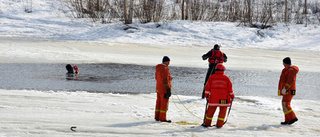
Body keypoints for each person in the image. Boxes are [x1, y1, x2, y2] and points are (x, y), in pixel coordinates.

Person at [202, 63, 234, 128]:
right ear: (223, 70)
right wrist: (232, 96)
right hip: (224, 99)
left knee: (210, 112)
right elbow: (230, 89)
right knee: (222, 113)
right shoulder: (226, 78)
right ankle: (219, 125)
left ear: (216, 69)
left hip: (213, 99)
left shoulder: (212, 77)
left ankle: (207, 124)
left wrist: (206, 95)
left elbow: (207, 88)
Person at [278, 57, 299, 125]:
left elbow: (290, 80)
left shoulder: (291, 70)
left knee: (286, 104)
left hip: (289, 90)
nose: (282, 64)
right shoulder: (287, 70)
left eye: (283, 62)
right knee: (285, 104)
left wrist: (285, 88)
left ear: (285, 63)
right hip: (287, 90)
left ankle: (293, 118)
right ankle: (287, 120)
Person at [155, 56, 172, 123]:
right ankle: (162, 118)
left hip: (158, 88)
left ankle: (157, 117)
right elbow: (165, 80)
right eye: (169, 62)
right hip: (164, 89)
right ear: (166, 61)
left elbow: (157, 78)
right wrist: (168, 89)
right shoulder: (164, 69)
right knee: (164, 104)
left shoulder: (158, 68)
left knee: (158, 103)